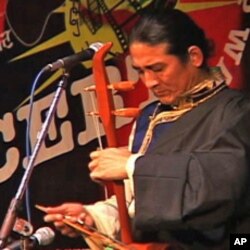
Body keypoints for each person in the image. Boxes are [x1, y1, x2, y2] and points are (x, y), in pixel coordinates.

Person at [42, 8, 250, 250]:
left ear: (194, 56)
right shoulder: (149, 117)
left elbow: (220, 187)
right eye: (141, 71)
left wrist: (132, 165)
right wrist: (94, 216)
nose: (149, 82)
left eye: (158, 68)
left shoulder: (237, 112)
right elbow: (139, 202)